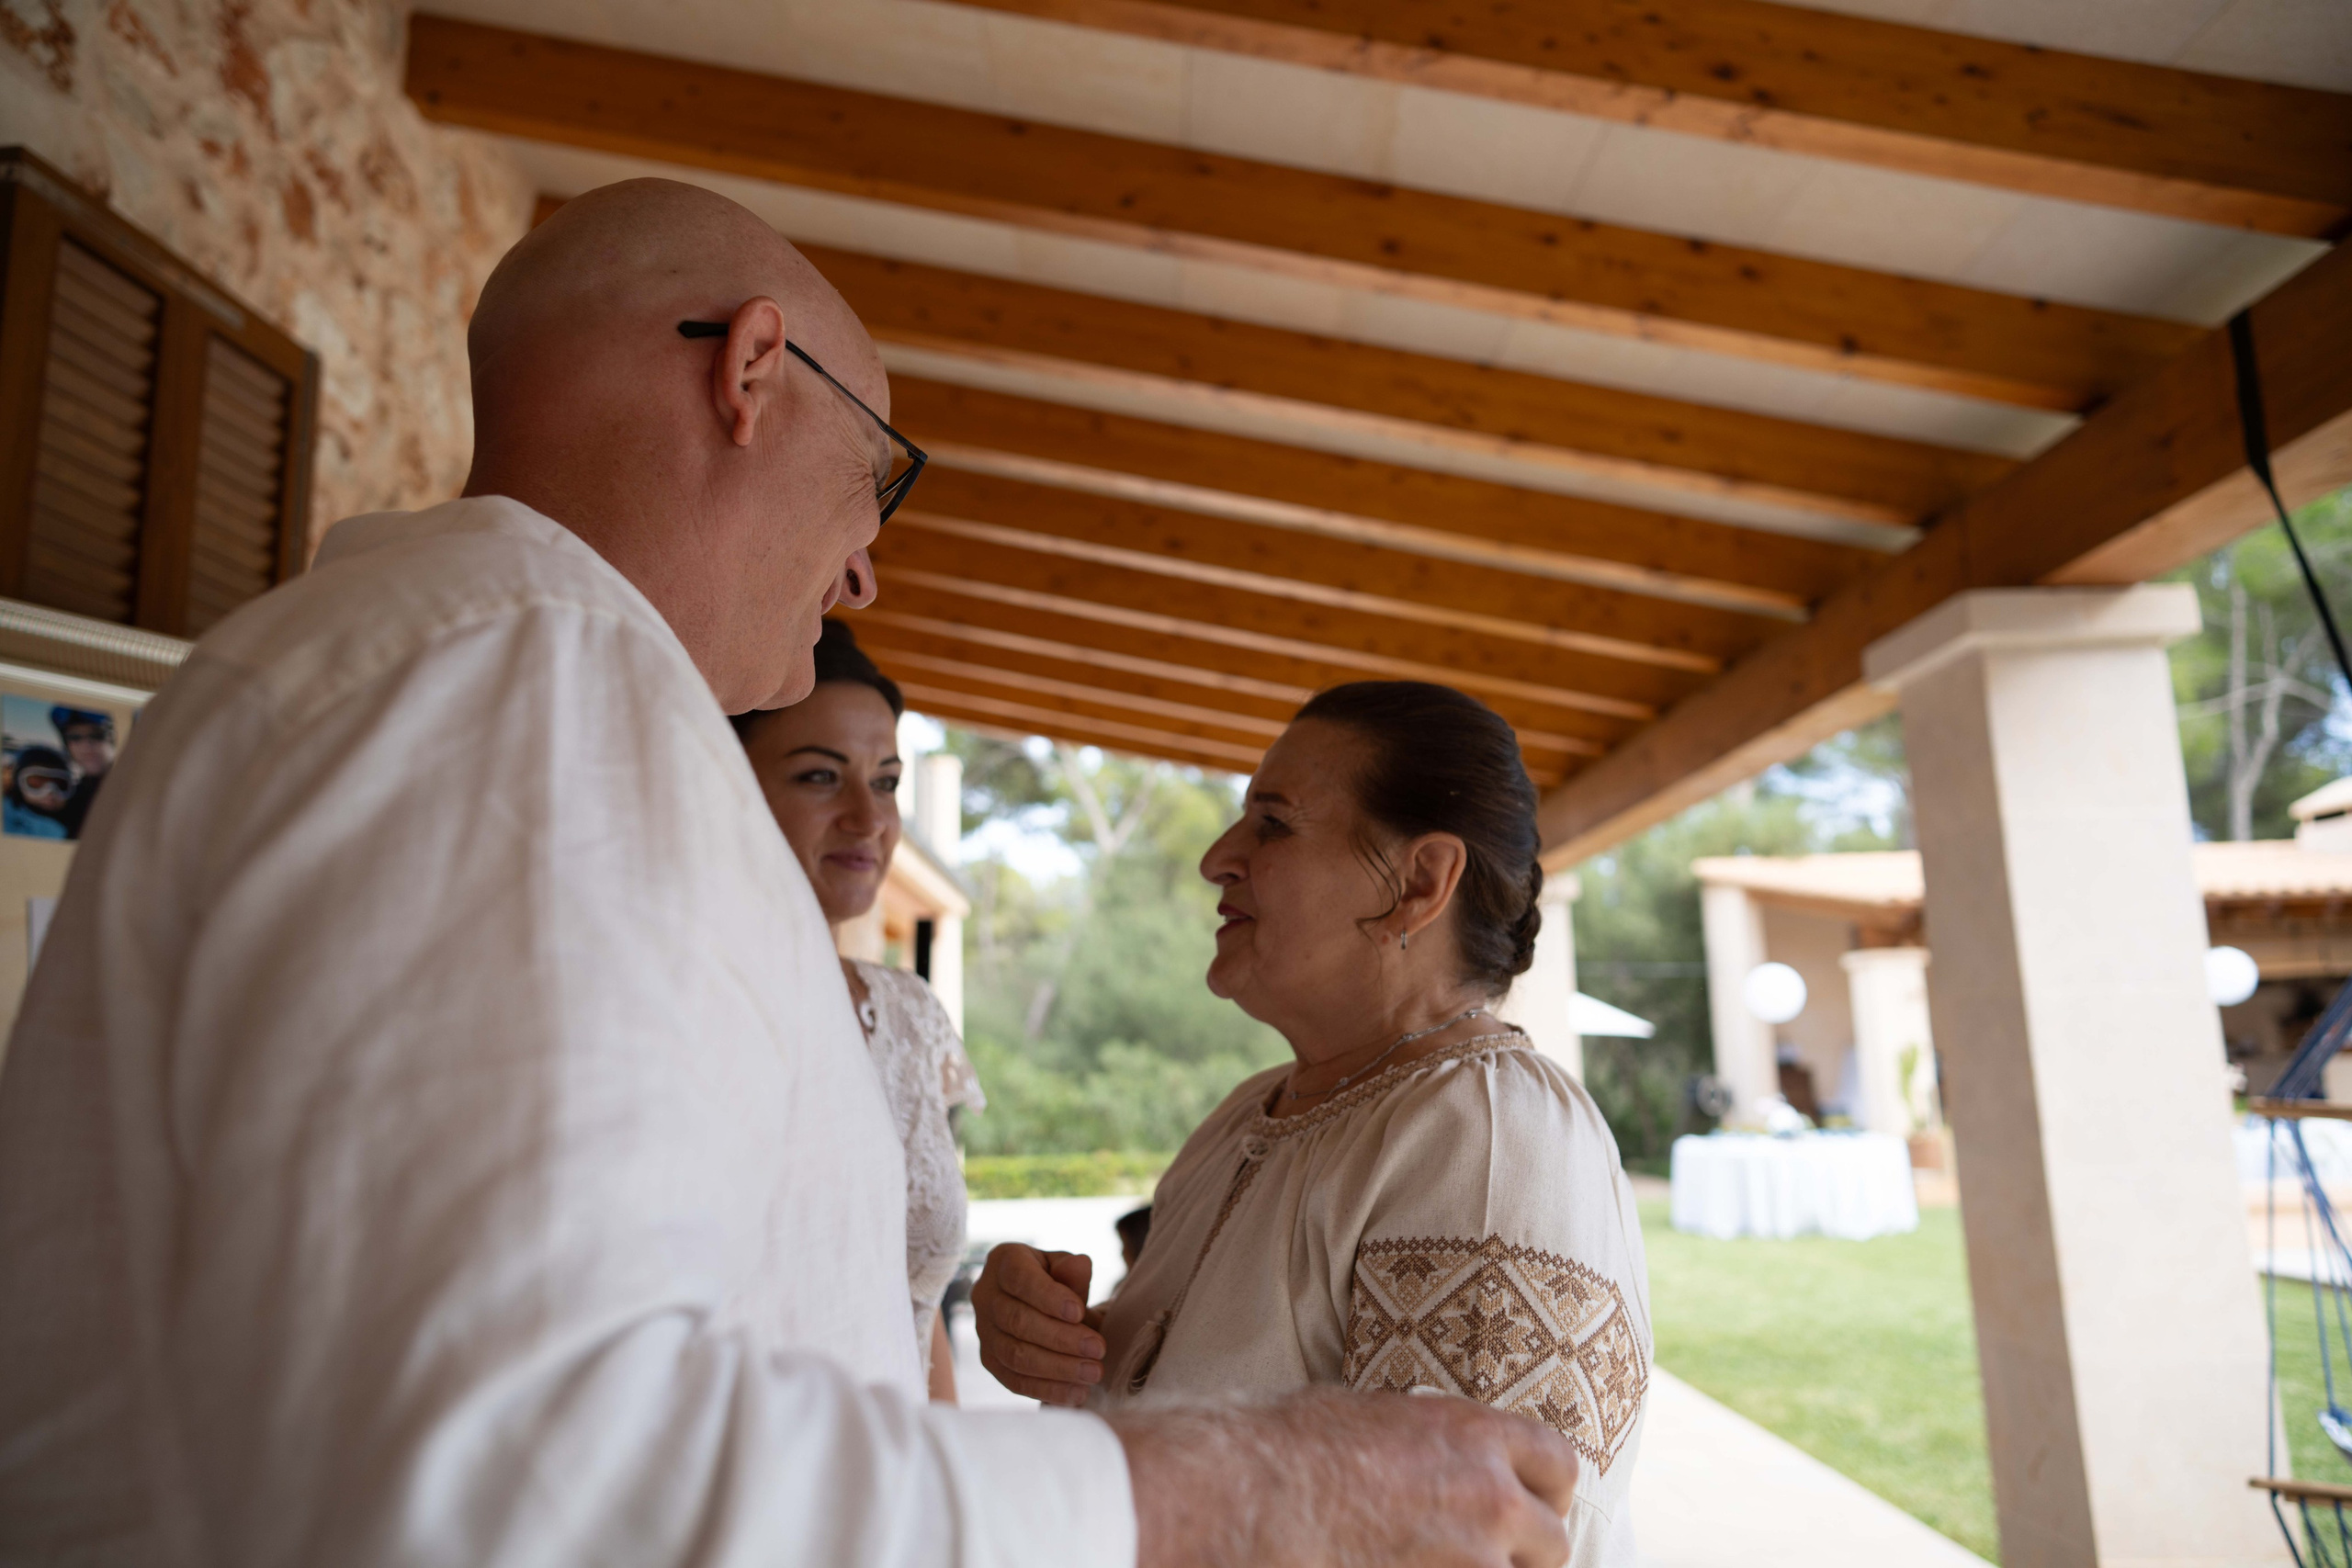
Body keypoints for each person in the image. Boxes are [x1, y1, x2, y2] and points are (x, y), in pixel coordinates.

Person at [0, 178, 1582, 1567]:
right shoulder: (524, 674)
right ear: (753, 372)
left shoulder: (430, 673)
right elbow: (530, 1468)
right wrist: (1222, 1498)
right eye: (876, 475)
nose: (864, 565)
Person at [975, 682, 1652, 1562]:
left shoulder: (1482, 1130)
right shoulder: (1250, 1114)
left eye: (1275, 823)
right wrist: (1059, 1344)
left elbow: (1473, 1539)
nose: (1219, 856)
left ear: (1420, 882)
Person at [733, 618, 981, 1402]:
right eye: (818, 776)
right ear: (727, 783)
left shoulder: (908, 1014)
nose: (868, 818)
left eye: (885, 781)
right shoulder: (698, 997)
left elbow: (921, 1302)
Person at [52, 706, 117, 840]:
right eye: (75, 737)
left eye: (98, 735)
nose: (86, 746)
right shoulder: (70, 796)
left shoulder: (137, 789)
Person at [3, 745, 72, 840]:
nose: (50, 793)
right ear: (18, 784)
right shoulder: (7, 819)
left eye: (60, 785)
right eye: (37, 783)